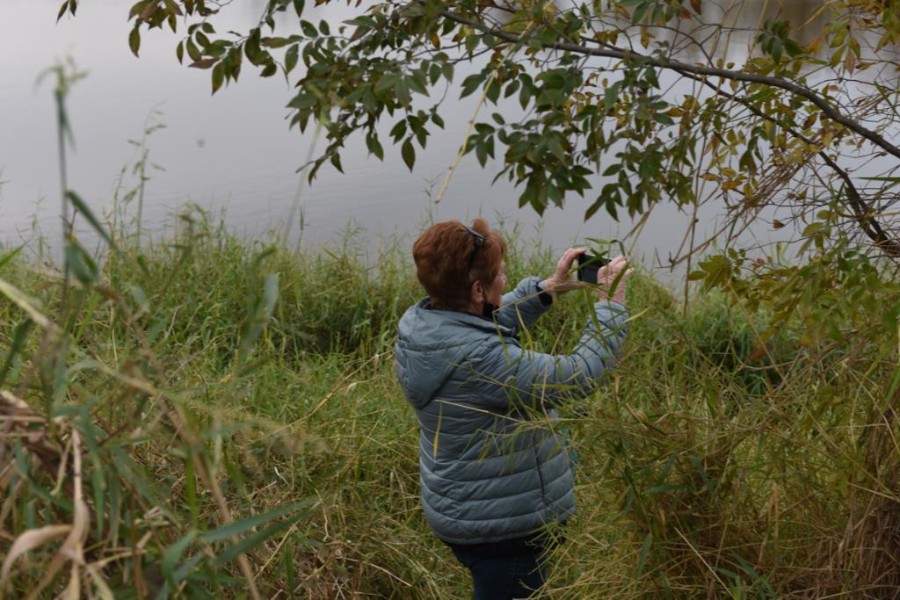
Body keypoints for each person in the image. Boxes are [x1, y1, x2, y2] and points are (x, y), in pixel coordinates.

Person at [394, 218, 632, 599]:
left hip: (468, 507)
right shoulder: (482, 361)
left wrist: (547, 290)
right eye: (500, 275)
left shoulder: (422, 325)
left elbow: (480, 326)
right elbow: (579, 374)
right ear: (477, 290)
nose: (505, 279)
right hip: (502, 529)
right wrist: (611, 308)